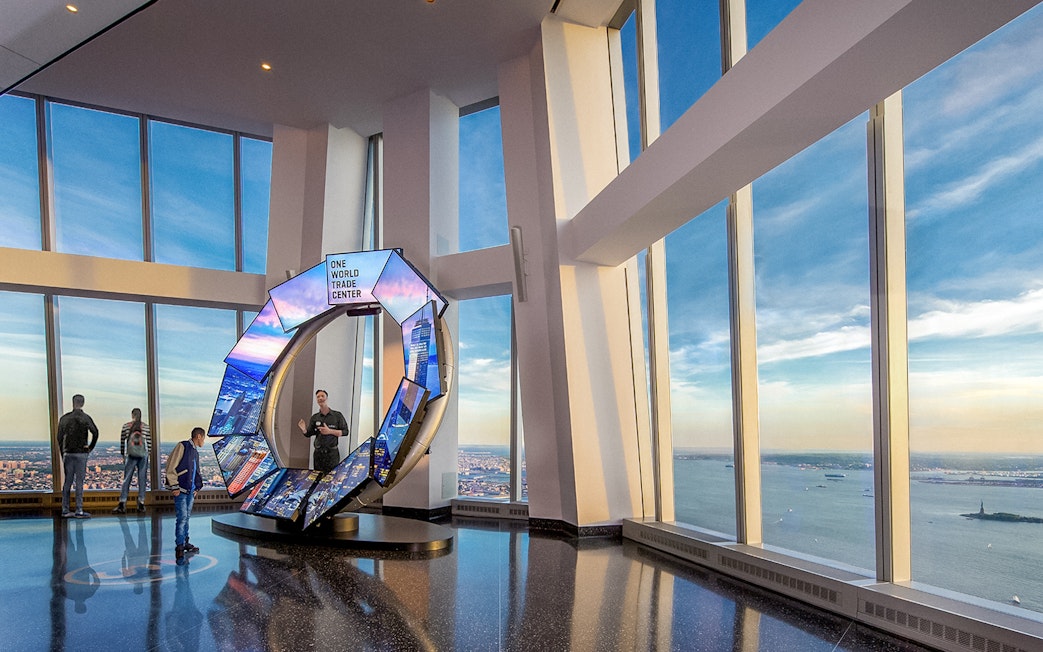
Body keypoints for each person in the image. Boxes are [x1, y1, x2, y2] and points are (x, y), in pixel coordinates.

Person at [165, 427, 205, 562]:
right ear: (199, 436)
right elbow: (171, 466)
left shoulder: (195, 452)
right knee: (182, 518)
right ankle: (179, 546)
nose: (203, 441)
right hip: (181, 490)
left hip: (190, 491)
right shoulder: (183, 446)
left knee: (186, 517)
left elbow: (195, 472)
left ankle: (185, 542)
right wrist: (174, 486)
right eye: (203, 438)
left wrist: (197, 487)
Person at [57, 394, 99, 519]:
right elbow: (95, 432)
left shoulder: (64, 418)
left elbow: (59, 437)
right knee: (79, 482)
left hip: (68, 452)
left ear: (73, 402)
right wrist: (90, 447)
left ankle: (65, 510)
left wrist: (62, 451)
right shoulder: (86, 418)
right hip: (81, 453)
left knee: (67, 482)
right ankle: (79, 510)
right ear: (83, 403)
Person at [297, 389, 348, 473]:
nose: (320, 398)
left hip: (332, 454)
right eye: (318, 397)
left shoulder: (337, 416)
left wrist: (330, 431)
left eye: (322, 396)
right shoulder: (315, 417)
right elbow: (309, 433)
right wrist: (304, 429)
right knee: (317, 477)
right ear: (317, 400)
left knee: (331, 477)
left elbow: (346, 432)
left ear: (327, 398)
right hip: (318, 454)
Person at [113, 408, 152, 514]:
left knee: (127, 479)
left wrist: (123, 454)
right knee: (142, 479)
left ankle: (122, 503)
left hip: (131, 455)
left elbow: (122, 441)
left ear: (132, 415)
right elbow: (149, 443)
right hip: (142, 455)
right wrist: (148, 454)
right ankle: (141, 502)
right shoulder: (146, 427)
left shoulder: (126, 426)